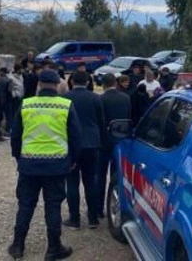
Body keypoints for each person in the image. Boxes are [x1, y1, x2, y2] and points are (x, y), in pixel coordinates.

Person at [8, 69, 81, 260]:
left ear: (39, 84)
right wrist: (72, 160)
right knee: (53, 206)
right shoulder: (66, 105)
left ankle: (17, 246)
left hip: (29, 165)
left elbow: (15, 136)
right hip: (56, 166)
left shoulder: (26, 104)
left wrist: (19, 158)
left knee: (26, 204)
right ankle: (54, 248)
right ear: (57, 85)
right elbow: (75, 137)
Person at [62, 71, 104, 230]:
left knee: (72, 182)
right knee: (91, 181)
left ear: (72, 81)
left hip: (72, 144)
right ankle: (93, 218)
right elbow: (101, 121)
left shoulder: (65, 98)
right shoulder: (95, 98)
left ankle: (74, 219)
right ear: (87, 82)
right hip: (92, 143)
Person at [97, 73, 131, 218]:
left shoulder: (101, 99)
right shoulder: (126, 98)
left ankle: (98, 209)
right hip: (120, 139)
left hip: (104, 141)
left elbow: (99, 121)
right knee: (117, 176)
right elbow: (128, 117)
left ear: (103, 85)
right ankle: (116, 206)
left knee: (100, 176)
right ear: (115, 83)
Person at [7, 64, 25, 134]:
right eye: (21, 69)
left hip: (20, 97)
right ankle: (10, 128)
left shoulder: (21, 76)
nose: (22, 71)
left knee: (18, 113)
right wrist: (14, 94)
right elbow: (10, 89)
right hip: (15, 98)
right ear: (18, 70)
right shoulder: (11, 78)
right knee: (13, 113)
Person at [0, 67, 13, 136]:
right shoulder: (9, 80)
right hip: (7, 100)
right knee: (8, 116)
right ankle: (7, 130)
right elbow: (10, 91)